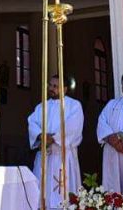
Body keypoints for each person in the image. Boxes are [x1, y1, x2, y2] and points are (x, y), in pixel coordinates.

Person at [27, 75, 84, 210]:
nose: (51, 89)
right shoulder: (42, 106)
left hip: (63, 156)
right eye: (50, 85)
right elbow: (32, 123)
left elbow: (73, 127)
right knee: (42, 195)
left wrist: (53, 138)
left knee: (63, 195)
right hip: (44, 157)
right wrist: (41, 135)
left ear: (64, 89)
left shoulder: (73, 105)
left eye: (55, 86)